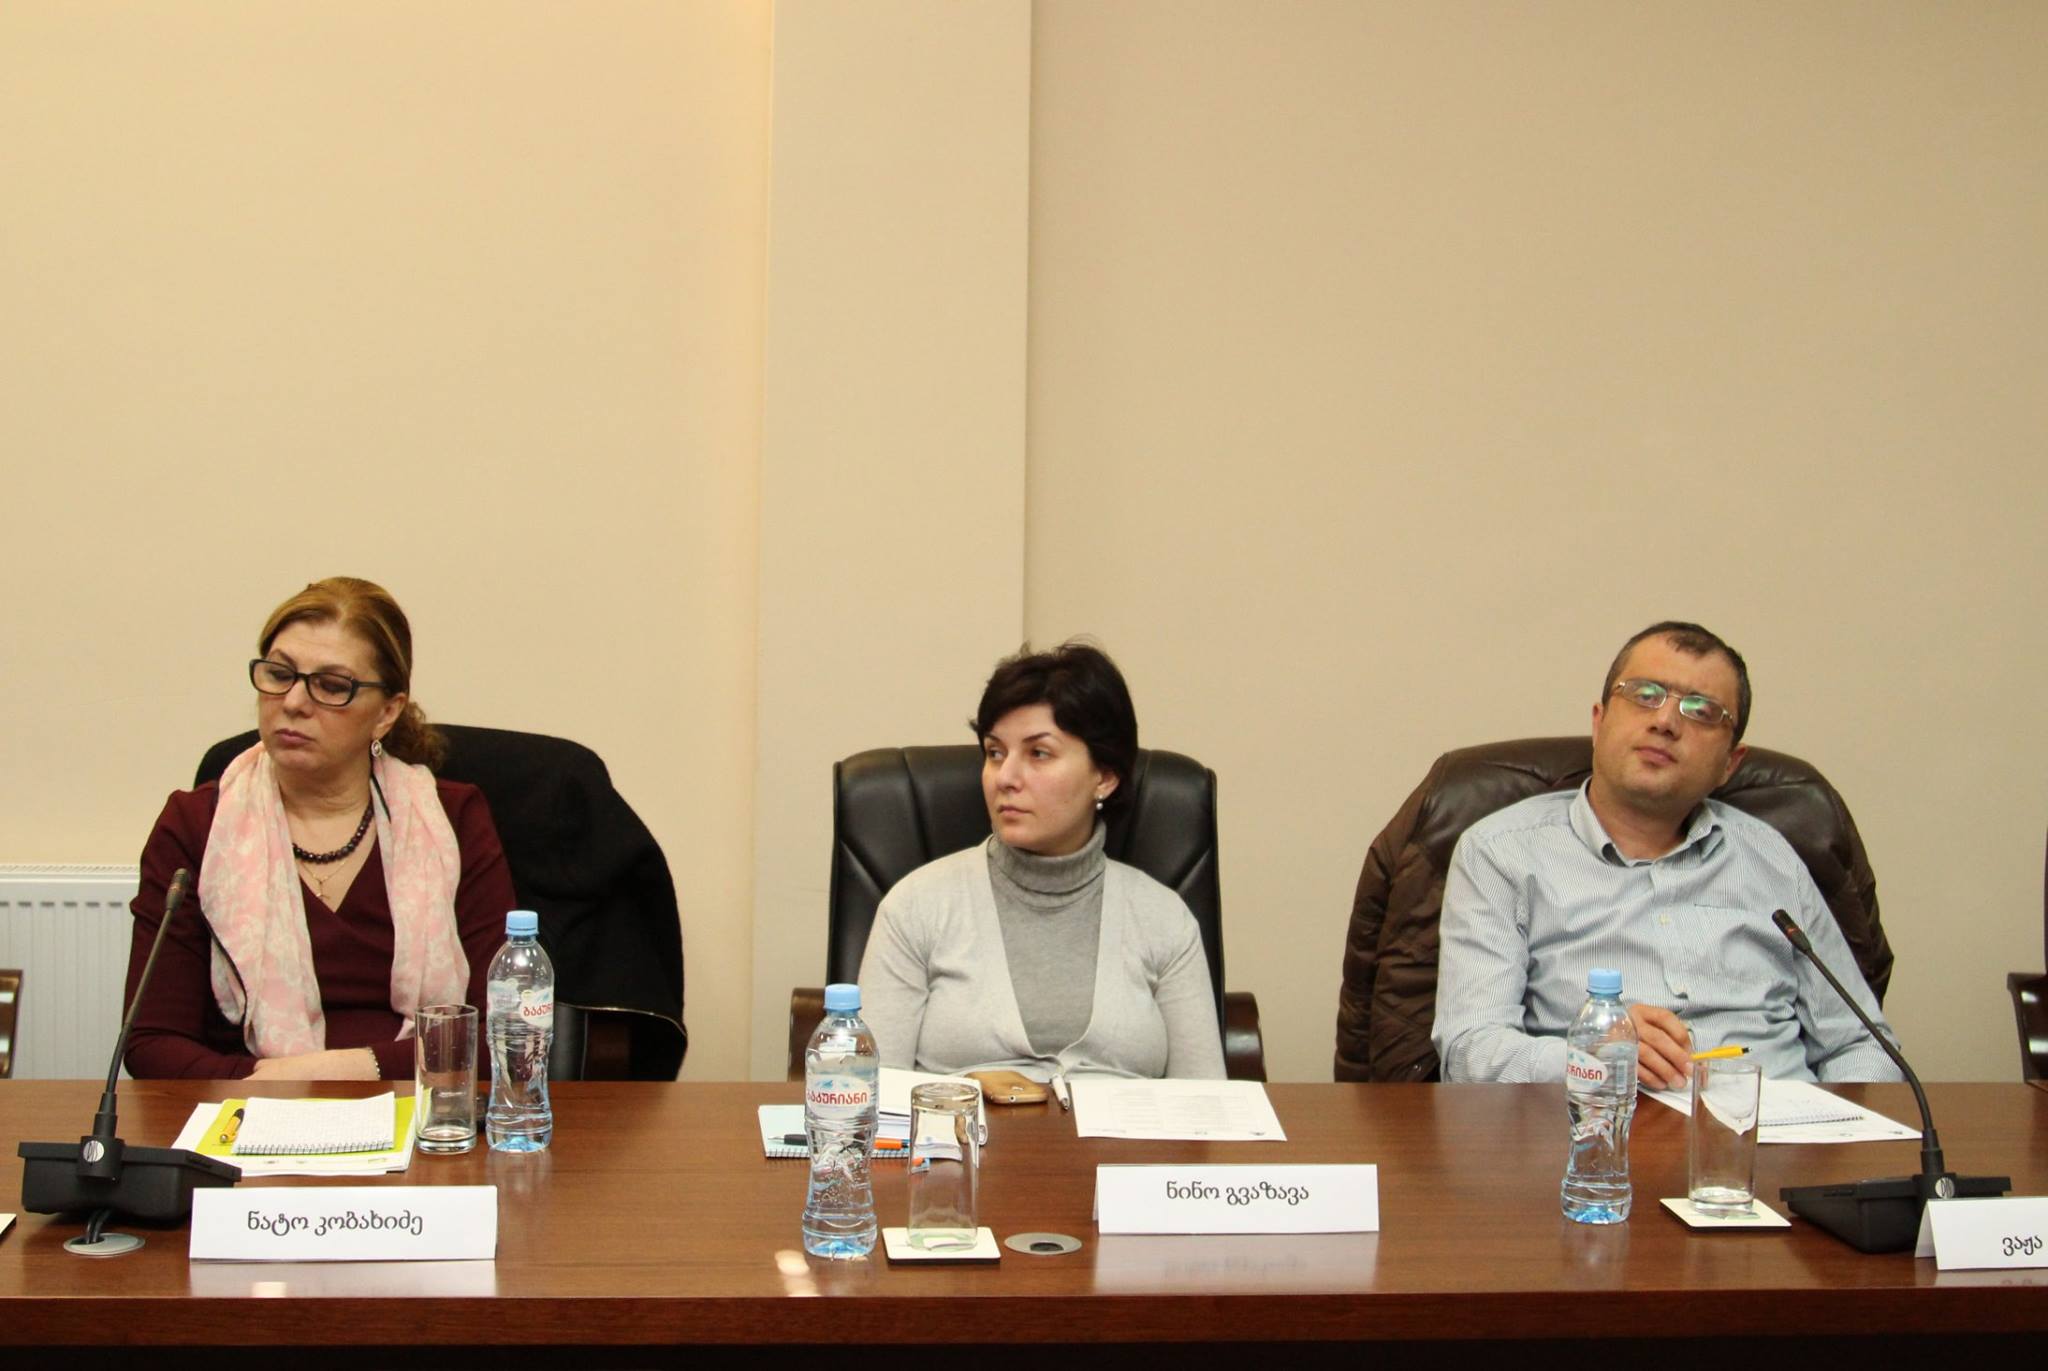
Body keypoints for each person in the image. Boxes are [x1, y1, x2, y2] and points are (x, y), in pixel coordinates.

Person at [1431, 621, 1901, 1087]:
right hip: (1602, 1123)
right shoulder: (1500, 853)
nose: (1665, 722)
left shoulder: (1772, 856)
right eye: (1644, 694)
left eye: (1702, 711)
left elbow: (1861, 1045)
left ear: (1730, 763)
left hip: (1774, 1123)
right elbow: (1470, 1050)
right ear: (1599, 722)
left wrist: (1835, 1126)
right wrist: (1593, 1057)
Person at [123, 577, 516, 1080]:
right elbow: (152, 1043)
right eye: (279, 674)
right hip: (246, 1113)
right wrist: (268, 1089)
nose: (293, 702)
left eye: (331, 686)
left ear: (387, 712)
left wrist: (335, 1072)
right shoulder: (196, 825)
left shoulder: (454, 819)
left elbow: (499, 1032)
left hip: (418, 1109)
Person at [858, 642, 1226, 1080]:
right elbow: (873, 1096)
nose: (1005, 778)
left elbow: (1206, 1102)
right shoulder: (915, 907)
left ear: (1105, 776)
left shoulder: (1164, 919)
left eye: (1038, 753)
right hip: (960, 1128)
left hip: (1121, 1128)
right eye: (995, 753)